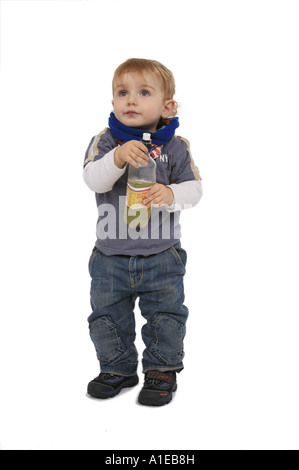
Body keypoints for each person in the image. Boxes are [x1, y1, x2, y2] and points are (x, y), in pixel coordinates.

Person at [83, 58, 202, 406]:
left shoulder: (176, 147)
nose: (130, 100)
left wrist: (170, 195)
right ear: (113, 103)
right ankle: (117, 368)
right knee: (106, 316)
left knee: (166, 315)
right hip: (110, 256)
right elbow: (92, 179)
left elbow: (194, 191)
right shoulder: (105, 142)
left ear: (168, 106)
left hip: (162, 255)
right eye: (123, 93)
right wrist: (118, 157)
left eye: (143, 92)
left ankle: (162, 369)